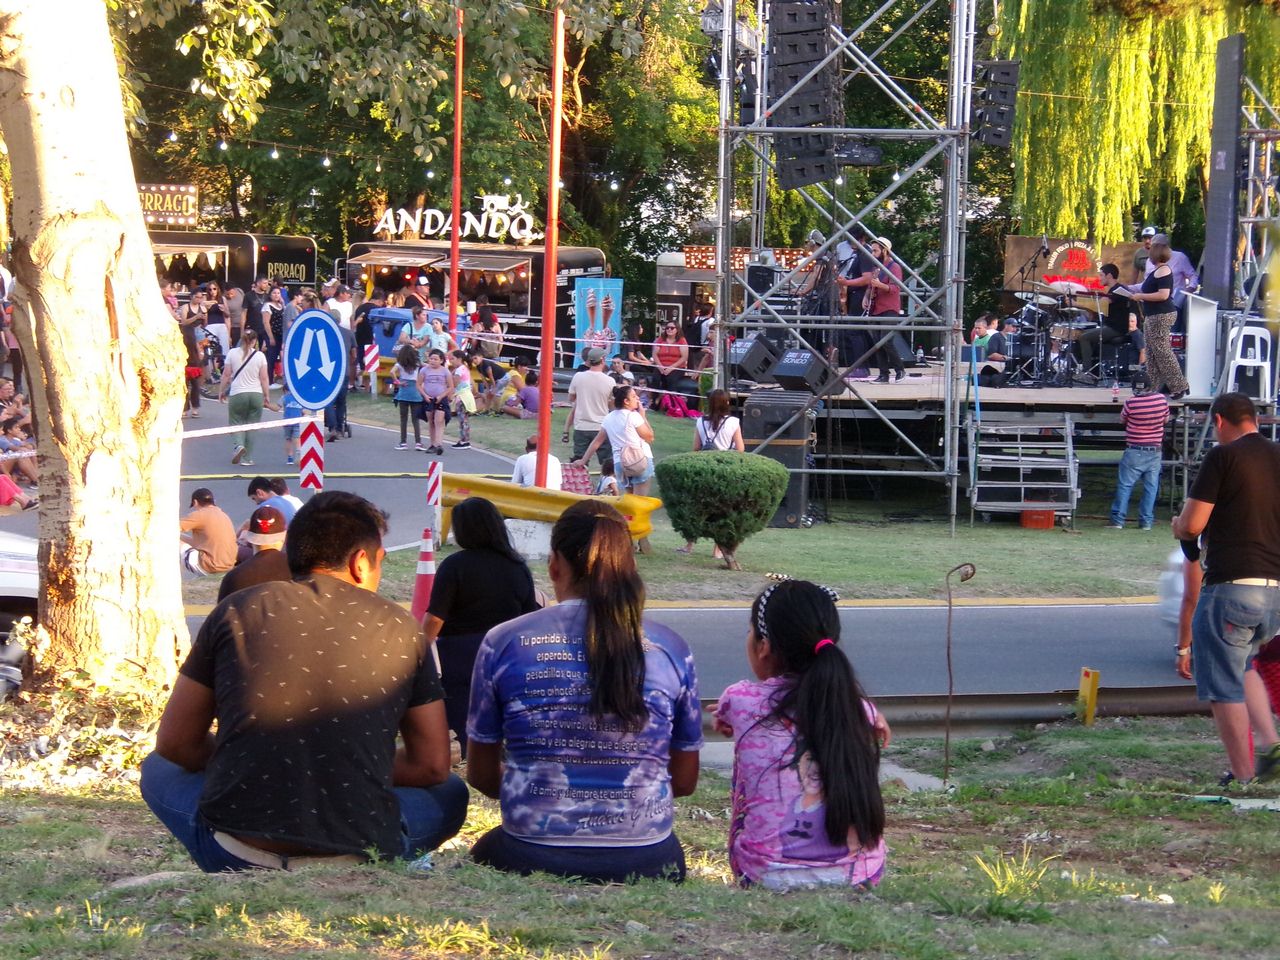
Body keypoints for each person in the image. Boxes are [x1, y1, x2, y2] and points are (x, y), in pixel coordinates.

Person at [142, 491, 469, 872]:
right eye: (381, 562)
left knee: (156, 769)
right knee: (449, 793)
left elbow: (175, 743)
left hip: (235, 849)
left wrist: (259, 759)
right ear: (361, 563)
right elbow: (432, 766)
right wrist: (345, 765)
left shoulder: (235, 610)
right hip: (360, 851)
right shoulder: (404, 629)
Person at [466, 500, 702, 881]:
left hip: (531, 850)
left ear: (554, 563)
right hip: (649, 859)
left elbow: (481, 775)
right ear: (631, 566)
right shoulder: (672, 648)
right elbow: (685, 782)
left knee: (484, 849)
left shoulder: (503, 641)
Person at [714, 579, 888, 890]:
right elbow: (869, 716)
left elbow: (729, 714)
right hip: (859, 876)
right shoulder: (858, 708)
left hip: (765, 876)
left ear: (763, 647)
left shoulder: (739, 700)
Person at [1171, 393, 1280, 785]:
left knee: (1221, 685)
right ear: (1254, 419)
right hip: (1273, 591)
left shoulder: (1224, 457)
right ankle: (1271, 745)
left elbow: (1194, 523)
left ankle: (1243, 776)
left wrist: (1178, 528)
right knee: (1246, 665)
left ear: (1219, 421)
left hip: (1231, 588)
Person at [422, 497, 539, 754]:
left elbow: (435, 618)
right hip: (506, 651)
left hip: (460, 652)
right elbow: (530, 616)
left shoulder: (455, 565)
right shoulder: (517, 566)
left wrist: (419, 648)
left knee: (460, 712)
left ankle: (464, 749)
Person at [1118, 235, 1188, 399]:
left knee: (1162, 351)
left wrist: (1140, 296)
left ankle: (1179, 386)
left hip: (1161, 314)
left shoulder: (1164, 270)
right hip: (1153, 315)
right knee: (1151, 352)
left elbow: (1163, 295)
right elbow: (1144, 286)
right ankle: (1152, 387)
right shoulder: (1156, 271)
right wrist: (1128, 289)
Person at [677, 389, 744, 558]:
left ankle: (689, 545)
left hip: (704, 469)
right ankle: (717, 550)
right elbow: (740, 449)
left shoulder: (700, 421)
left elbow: (695, 448)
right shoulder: (734, 422)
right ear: (726, 403)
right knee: (722, 510)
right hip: (724, 469)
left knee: (699, 509)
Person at [1107, 373, 1168, 530]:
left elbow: (1122, 419)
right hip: (1154, 450)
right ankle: (1146, 522)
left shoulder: (1130, 403)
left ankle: (1118, 521)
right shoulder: (1161, 400)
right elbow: (1165, 419)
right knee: (1150, 487)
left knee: (1125, 485)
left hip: (1135, 449)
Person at [574, 384, 654, 498]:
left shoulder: (609, 417)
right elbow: (650, 437)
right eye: (634, 396)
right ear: (626, 401)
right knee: (640, 501)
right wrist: (643, 416)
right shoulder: (634, 416)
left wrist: (583, 460)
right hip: (640, 460)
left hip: (620, 463)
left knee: (629, 499)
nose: (638, 398)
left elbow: (597, 442)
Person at [219, 329, 278, 467]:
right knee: (252, 426)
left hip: (238, 393)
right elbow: (264, 377)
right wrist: (266, 395)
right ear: (255, 341)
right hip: (256, 394)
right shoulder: (260, 356)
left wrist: (221, 391)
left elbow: (226, 375)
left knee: (235, 421)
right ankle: (247, 458)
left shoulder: (232, 353)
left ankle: (239, 445)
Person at [1078, 263, 1145, 379]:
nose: (1100, 278)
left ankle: (1086, 372)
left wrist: (1076, 303)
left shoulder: (1118, 290)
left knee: (1084, 337)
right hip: (1112, 327)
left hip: (1117, 329)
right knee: (1087, 333)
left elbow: (1103, 303)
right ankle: (1093, 369)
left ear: (1109, 275)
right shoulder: (1114, 290)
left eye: (1101, 275)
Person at [217, 505, 292, 602]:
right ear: (284, 537)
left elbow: (222, 614)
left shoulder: (233, 577)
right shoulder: (300, 570)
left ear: (249, 537)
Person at [861, 237, 906, 383]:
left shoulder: (894, 267)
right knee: (876, 342)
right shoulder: (877, 268)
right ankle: (883, 374)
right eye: (872, 250)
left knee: (885, 340)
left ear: (884, 251)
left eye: (875, 251)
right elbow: (870, 286)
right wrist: (866, 297)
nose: (873, 254)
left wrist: (879, 285)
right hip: (875, 308)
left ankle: (900, 369)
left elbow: (895, 288)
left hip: (889, 308)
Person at [562, 347, 615, 467]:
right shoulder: (610, 381)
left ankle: (579, 485)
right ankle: (608, 484)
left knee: (579, 461)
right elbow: (611, 405)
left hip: (581, 426)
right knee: (607, 462)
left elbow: (571, 398)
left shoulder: (578, 377)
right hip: (601, 426)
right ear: (602, 360)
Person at [179, 488, 237, 577]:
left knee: (170, 540)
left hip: (210, 567)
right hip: (228, 566)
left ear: (195, 502)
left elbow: (169, 529)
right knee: (179, 537)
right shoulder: (223, 515)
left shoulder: (199, 515)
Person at [418, 348, 454, 455]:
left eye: (435, 359)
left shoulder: (445, 371)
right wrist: (424, 395)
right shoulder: (424, 370)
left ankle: (439, 444)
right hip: (428, 398)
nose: (433, 361)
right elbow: (418, 384)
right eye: (431, 359)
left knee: (439, 421)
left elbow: (450, 386)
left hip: (441, 399)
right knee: (431, 421)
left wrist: (442, 396)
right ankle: (432, 444)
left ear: (441, 360)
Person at [351, 287, 387, 390]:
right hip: (372, 340)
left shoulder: (360, 308)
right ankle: (372, 388)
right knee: (372, 366)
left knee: (363, 366)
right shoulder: (377, 310)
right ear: (379, 300)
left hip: (360, 339)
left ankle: (366, 387)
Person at [390, 344, 426, 451]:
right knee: (415, 419)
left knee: (403, 419)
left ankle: (403, 442)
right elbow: (425, 366)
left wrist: (397, 382)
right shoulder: (417, 363)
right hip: (415, 391)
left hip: (404, 391)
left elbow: (391, 372)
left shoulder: (400, 364)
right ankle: (418, 442)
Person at [653, 320, 689, 394]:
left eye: (672, 328)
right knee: (655, 379)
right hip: (661, 366)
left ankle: (671, 402)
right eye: (667, 328)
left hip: (677, 367)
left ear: (677, 329)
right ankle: (655, 401)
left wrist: (671, 368)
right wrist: (660, 367)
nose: (669, 329)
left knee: (671, 379)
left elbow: (684, 357)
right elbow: (654, 354)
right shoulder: (661, 339)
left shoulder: (682, 340)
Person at [447, 349, 474, 448]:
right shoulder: (464, 368)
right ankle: (464, 439)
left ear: (459, 359)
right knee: (464, 420)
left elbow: (454, 384)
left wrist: (450, 394)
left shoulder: (459, 370)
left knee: (463, 420)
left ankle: (464, 441)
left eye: (453, 359)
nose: (451, 361)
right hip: (466, 396)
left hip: (462, 397)